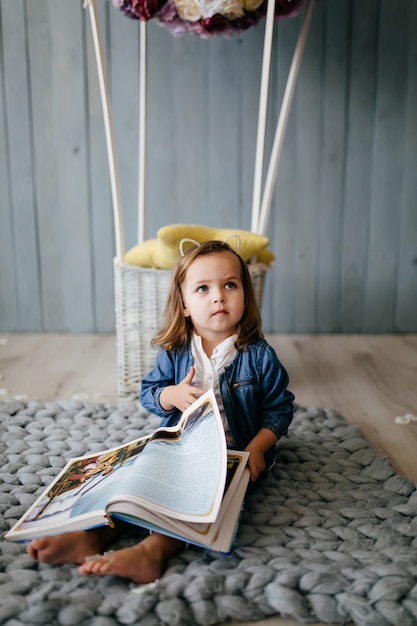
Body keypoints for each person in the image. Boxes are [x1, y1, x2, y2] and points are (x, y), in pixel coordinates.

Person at [27, 238, 294, 583]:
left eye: (230, 284)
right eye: (203, 288)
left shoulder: (258, 356)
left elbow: (280, 408)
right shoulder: (176, 350)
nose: (219, 296)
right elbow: (149, 392)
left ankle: (152, 552)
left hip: (233, 453)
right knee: (139, 480)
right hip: (179, 446)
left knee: (195, 498)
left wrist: (258, 447)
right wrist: (171, 393)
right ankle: (94, 535)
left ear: (245, 294)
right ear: (183, 304)